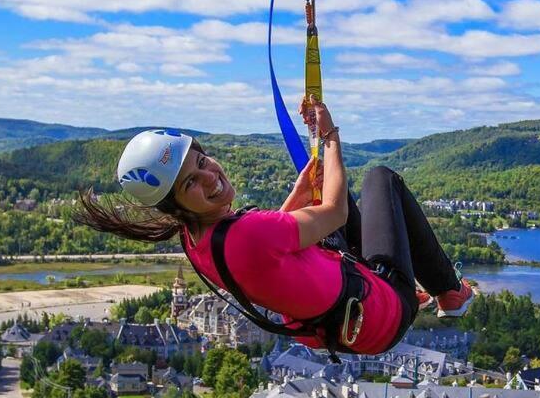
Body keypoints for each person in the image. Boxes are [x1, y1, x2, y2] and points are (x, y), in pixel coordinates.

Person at [74, 97, 473, 360]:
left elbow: (264, 256)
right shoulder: (248, 234)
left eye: (201, 160)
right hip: (382, 314)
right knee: (380, 180)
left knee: (327, 197)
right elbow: (333, 214)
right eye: (190, 183)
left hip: (343, 324)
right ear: (175, 204)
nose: (209, 176)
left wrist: (300, 192)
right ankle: (448, 293)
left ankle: (406, 283)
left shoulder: (195, 241)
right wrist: (330, 135)